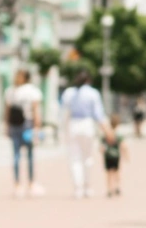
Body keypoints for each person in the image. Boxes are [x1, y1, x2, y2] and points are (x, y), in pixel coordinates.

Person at [60, 70, 106, 199]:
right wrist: (106, 130)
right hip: (87, 125)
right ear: (88, 80)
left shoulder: (69, 93)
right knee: (87, 158)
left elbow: (64, 113)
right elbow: (98, 114)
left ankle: (78, 188)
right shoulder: (93, 93)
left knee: (75, 159)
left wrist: (62, 131)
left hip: (73, 126)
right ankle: (87, 186)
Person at [5, 69, 44, 199]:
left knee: (18, 155)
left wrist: (7, 126)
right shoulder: (32, 91)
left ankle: (20, 185)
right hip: (27, 124)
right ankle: (28, 184)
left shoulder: (11, 91)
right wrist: (37, 127)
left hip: (17, 125)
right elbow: (36, 109)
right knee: (28, 155)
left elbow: (7, 110)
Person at [102, 114, 126, 198]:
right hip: (116, 156)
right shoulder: (118, 134)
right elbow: (123, 145)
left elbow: (102, 147)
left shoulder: (106, 134)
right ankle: (117, 186)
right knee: (116, 172)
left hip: (108, 156)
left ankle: (109, 189)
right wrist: (126, 154)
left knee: (109, 173)